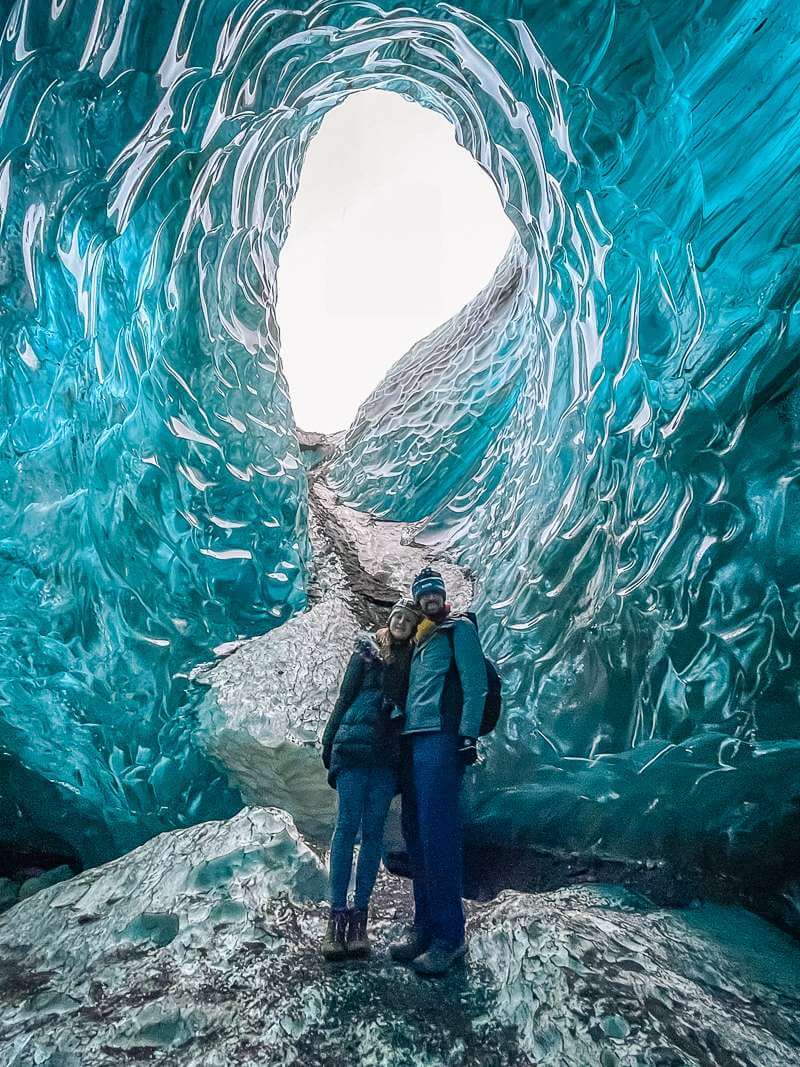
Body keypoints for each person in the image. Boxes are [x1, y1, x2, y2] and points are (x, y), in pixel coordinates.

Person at [390, 567, 488, 976]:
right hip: (413, 739)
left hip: (440, 739)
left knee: (438, 834)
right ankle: (423, 927)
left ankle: (450, 937)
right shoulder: (421, 636)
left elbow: (476, 683)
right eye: (423, 594)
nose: (430, 598)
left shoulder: (458, 629)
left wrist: (466, 736)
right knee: (415, 833)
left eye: (435, 592)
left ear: (443, 594)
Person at [320, 598, 421, 961]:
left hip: (386, 757)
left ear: (413, 628)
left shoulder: (414, 663)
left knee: (373, 834)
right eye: (397, 617)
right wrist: (329, 741)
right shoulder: (366, 653)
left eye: (408, 621)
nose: (400, 623)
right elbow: (343, 699)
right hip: (352, 750)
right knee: (347, 827)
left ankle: (359, 918)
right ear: (389, 619)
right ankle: (336, 917)